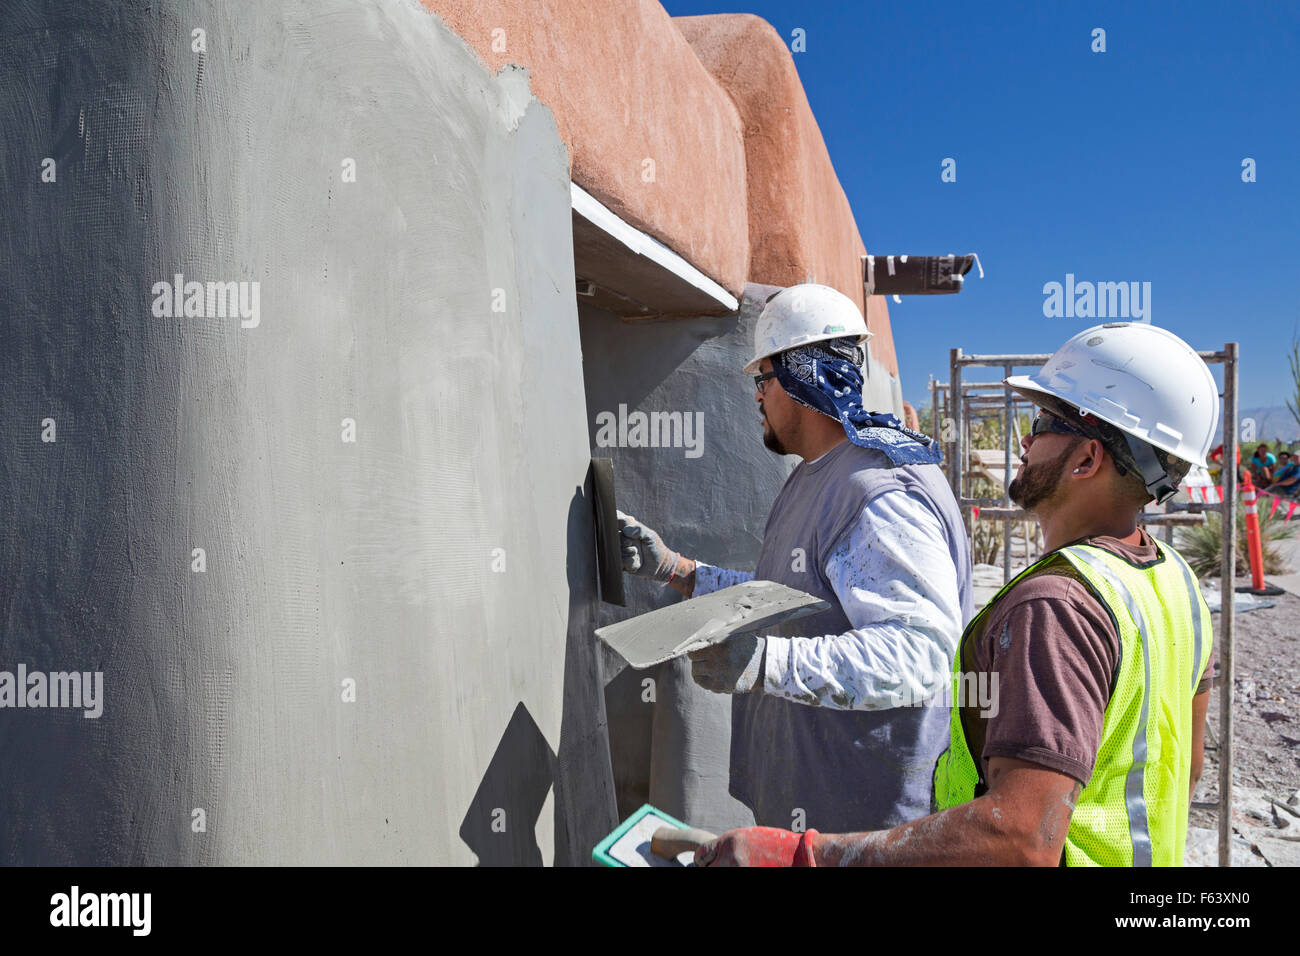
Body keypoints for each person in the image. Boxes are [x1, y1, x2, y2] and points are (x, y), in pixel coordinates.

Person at [694, 322, 1217, 866]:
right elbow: (1188, 767)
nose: (1026, 441)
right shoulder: (1174, 580)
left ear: (1087, 459)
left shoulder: (1056, 606)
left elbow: (1020, 838)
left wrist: (806, 856)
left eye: (1042, 424)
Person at [617, 283, 971, 833]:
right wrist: (677, 570)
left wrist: (763, 663)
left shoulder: (879, 491)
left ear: (798, 378)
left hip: (862, 828)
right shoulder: (817, 473)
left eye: (762, 380)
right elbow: (789, 594)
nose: (756, 397)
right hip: (807, 811)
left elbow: (918, 655)